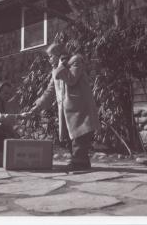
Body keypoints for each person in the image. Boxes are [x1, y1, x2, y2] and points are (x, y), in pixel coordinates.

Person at [29, 42, 100, 170]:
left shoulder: (75, 61)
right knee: (70, 137)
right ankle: (80, 161)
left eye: (51, 56)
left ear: (59, 55)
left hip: (80, 109)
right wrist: (37, 106)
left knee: (80, 136)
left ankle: (79, 162)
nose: (49, 59)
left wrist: (62, 65)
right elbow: (49, 92)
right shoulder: (56, 71)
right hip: (67, 111)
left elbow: (72, 79)